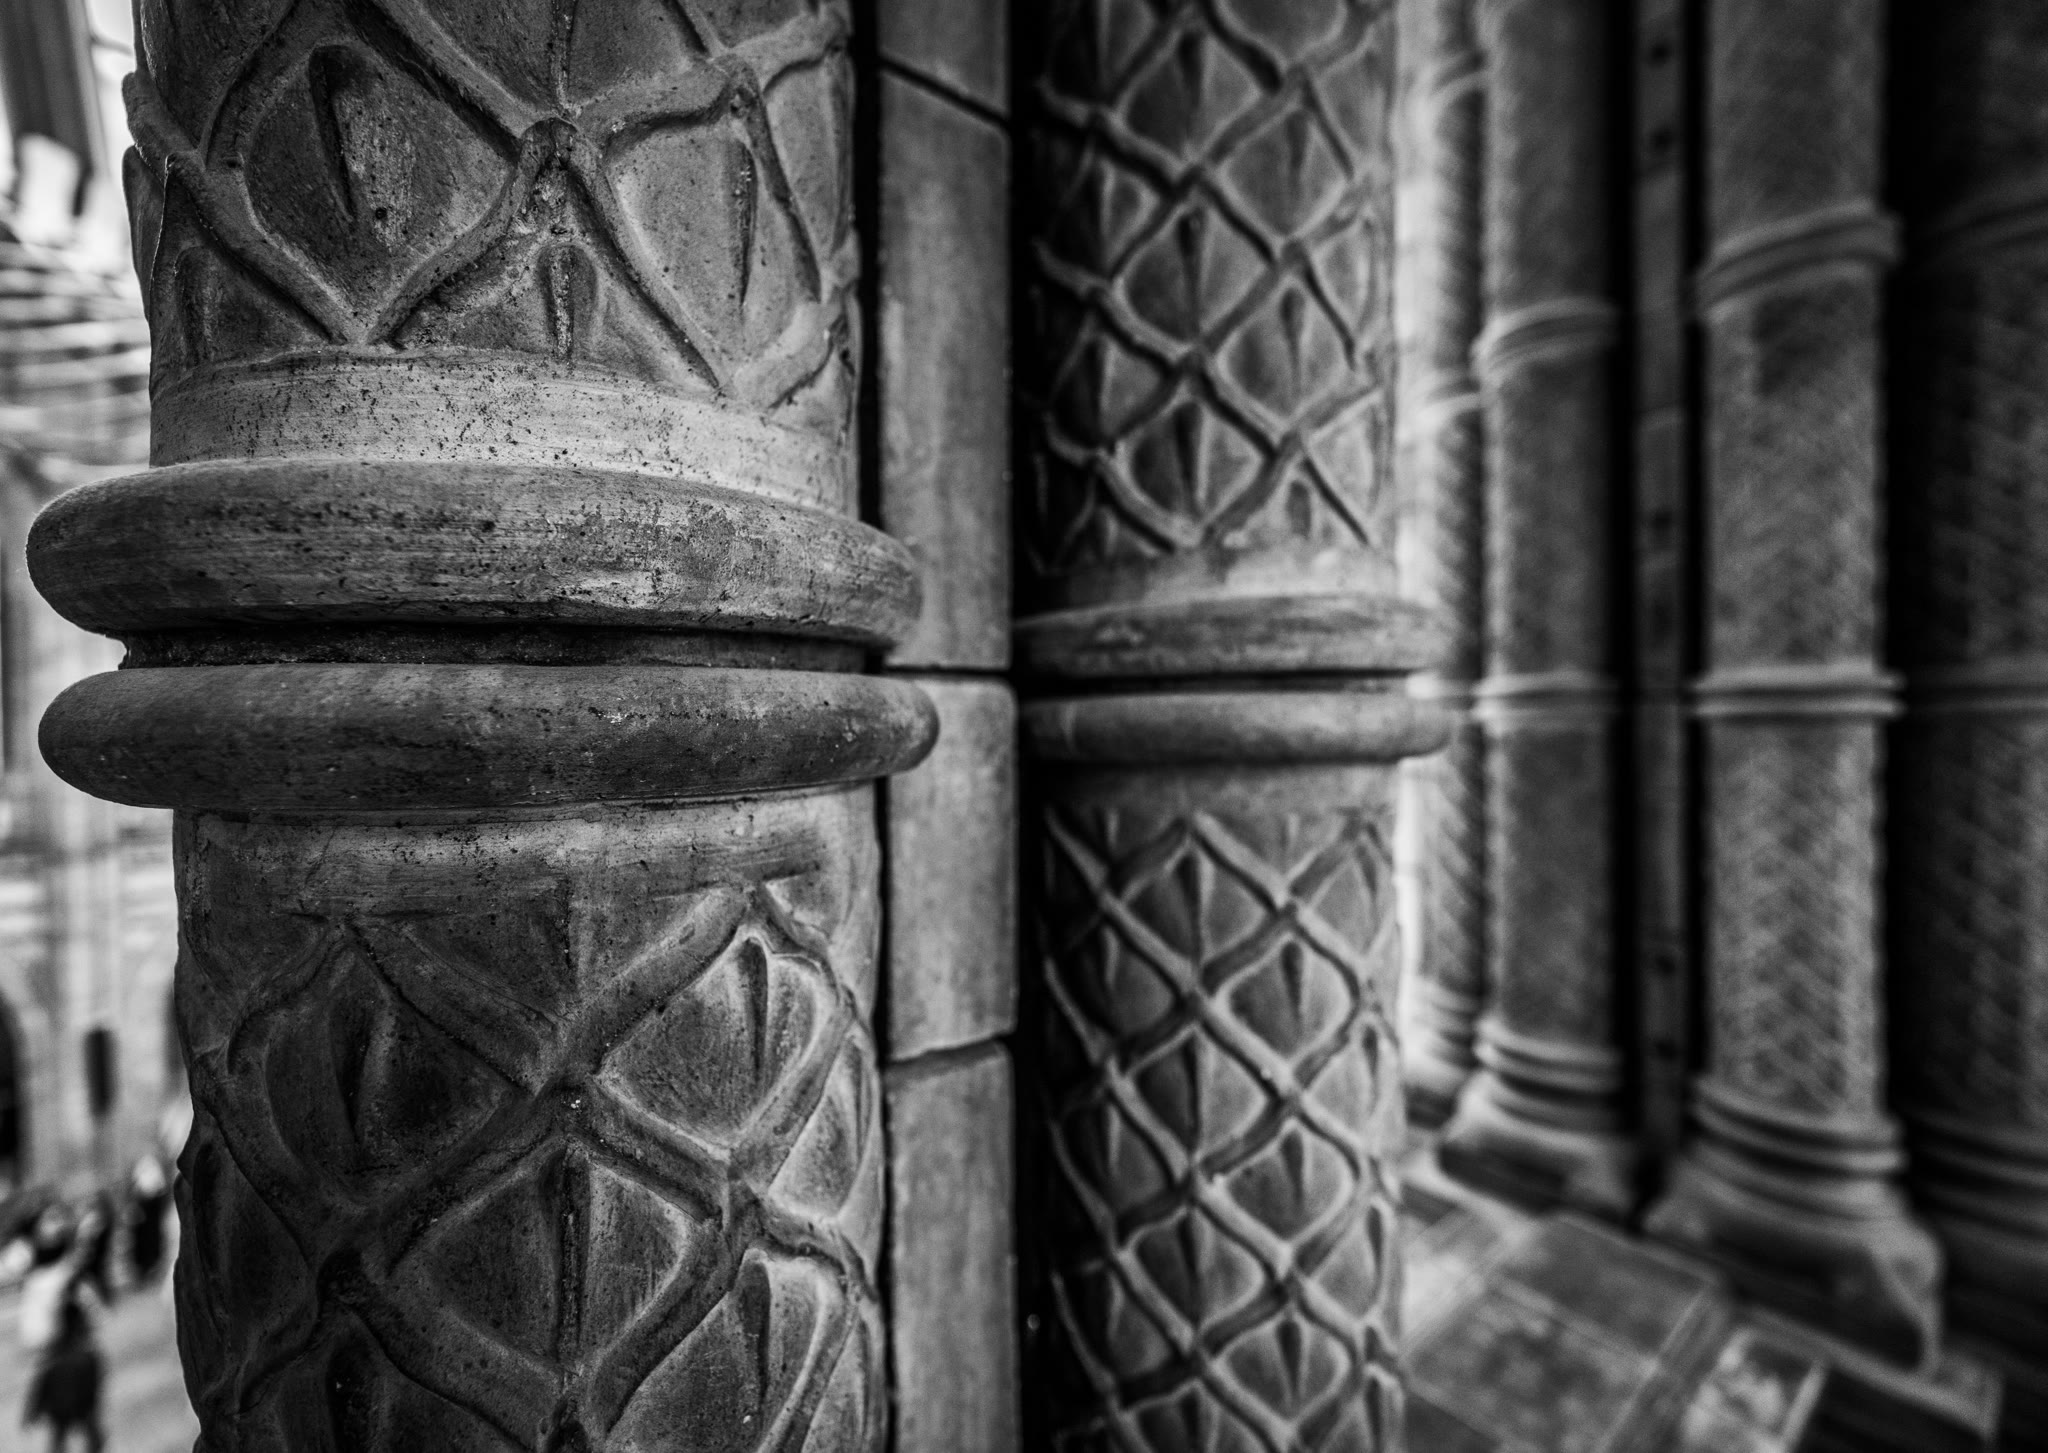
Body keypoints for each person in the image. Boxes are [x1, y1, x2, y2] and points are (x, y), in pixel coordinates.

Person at [23, 1296, 104, 1452]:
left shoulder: (56, 1353)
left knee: (63, 1437)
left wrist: (31, 1411)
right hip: (74, 1406)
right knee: (91, 1437)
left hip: (62, 1408)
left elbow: (40, 1382)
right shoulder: (86, 1355)